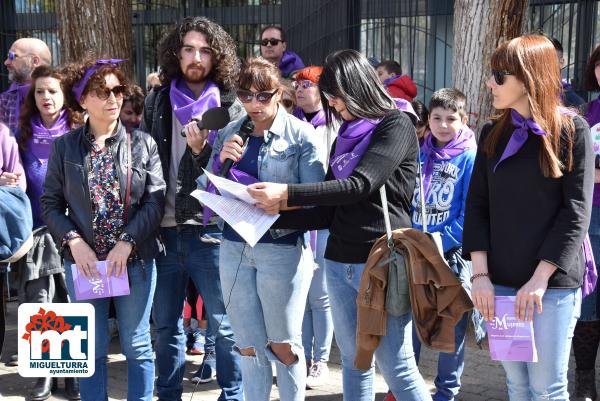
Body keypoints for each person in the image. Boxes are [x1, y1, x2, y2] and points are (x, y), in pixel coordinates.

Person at [247, 49, 431, 401]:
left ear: (358, 87)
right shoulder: (346, 132)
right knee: (353, 361)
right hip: (338, 261)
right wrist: (268, 218)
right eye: (330, 98)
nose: (334, 104)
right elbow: (329, 211)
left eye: (336, 96)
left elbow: (359, 185)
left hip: (382, 263)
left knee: (397, 365)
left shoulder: (396, 125)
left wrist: (285, 192)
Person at [463, 34, 593, 400]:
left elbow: (576, 212)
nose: (490, 82)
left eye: (499, 76)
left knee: (547, 388)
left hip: (550, 286)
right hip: (499, 284)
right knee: (517, 385)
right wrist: (481, 276)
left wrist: (538, 279)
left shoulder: (572, 131)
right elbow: (476, 206)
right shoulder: (491, 132)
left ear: (530, 77)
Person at [41, 58, 166, 401]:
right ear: (82, 101)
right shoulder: (64, 147)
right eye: (102, 91)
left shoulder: (143, 144)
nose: (113, 98)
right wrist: (73, 240)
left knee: (137, 344)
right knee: (92, 348)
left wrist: (127, 242)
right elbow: (50, 204)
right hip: (85, 263)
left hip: (134, 260)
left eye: (117, 90)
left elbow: (155, 202)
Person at [203, 56, 325, 401]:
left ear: (279, 93)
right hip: (233, 246)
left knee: (284, 345)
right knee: (248, 346)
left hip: (280, 248)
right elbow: (212, 186)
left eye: (263, 96)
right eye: (245, 95)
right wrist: (218, 160)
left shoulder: (301, 135)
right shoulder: (230, 131)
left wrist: (279, 200)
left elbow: (316, 197)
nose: (253, 104)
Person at [139, 16, 244, 400]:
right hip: (164, 229)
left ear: (217, 57)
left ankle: (233, 394)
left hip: (211, 229)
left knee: (224, 324)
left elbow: (236, 173)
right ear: (176, 53)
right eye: (188, 49)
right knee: (166, 325)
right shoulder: (157, 99)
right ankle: (168, 394)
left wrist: (202, 153)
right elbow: (147, 162)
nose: (196, 57)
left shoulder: (232, 105)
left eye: (204, 50)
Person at [15, 65, 83, 401]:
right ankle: (42, 375)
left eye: (53, 91)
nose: (46, 97)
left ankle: (68, 375)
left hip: (72, 232)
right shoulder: (22, 135)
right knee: (38, 301)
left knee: (67, 300)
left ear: (65, 97)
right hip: (36, 233)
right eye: (40, 91)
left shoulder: (79, 131)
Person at [410, 88, 477, 401]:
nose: (443, 124)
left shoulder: (469, 156)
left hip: (450, 255)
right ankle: (404, 386)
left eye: (451, 118)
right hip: (414, 250)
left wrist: (441, 240)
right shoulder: (418, 152)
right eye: (437, 117)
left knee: (451, 329)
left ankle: (446, 392)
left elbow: (471, 212)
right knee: (408, 322)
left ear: (462, 120)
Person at [291, 65, 337, 388]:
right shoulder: (291, 124)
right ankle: (305, 357)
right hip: (298, 216)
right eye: (297, 84)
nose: (300, 89)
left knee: (321, 296)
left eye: (307, 84)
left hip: (323, 220)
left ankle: (321, 359)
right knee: (302, 294)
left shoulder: (333, 126)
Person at [572, 43, 600, 401]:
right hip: (590, 216)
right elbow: (576, 168)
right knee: (589, 301)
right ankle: (584, 380)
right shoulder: (586, 112)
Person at [1, 38, 52, 135]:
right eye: (8, 56)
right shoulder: (5, 102)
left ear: (35, 61)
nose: (6, 62)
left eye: (12, 56)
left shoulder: (62, 99)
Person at [550, 37, 586, 107]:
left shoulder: (575, 102)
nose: (542, 66)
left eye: (549, 60)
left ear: (561, 63)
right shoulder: (524, 97)